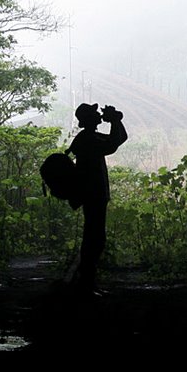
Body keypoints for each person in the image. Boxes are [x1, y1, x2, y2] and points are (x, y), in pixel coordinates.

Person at [69, 102, 127, 295]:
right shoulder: (87, 138)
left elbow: (118, 139)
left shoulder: (88, 136)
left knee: (94, 236)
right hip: (93, 194)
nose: (98, 115)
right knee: (94, 238)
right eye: (94, 113)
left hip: (94, 194)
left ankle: (88, 282)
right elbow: (113, 144)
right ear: (87, 119)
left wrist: (115, 121)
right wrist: (114, 120)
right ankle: (87, 283)